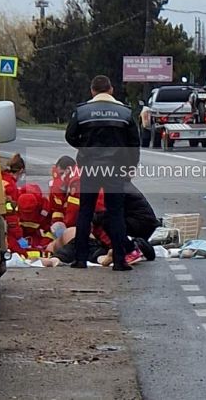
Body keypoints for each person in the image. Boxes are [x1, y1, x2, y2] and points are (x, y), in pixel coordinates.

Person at [65, 75, 141, 271]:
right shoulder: (124, 112)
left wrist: (85, 147)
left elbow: (70, 136)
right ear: (111, 90)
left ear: (92, 91)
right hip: (115, 168)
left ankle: (80, 260)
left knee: (85, 212)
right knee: (116, 213)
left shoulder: (82, 111)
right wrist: (130, 166)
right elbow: (134, 142)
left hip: (90, 167)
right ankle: (120, 260)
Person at [1, 154, 25, 253]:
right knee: (21, 252)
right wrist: (18, 235)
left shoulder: (1, 178)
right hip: (6, 227)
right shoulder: (11, 186)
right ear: (21, 171)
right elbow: (11, 214)